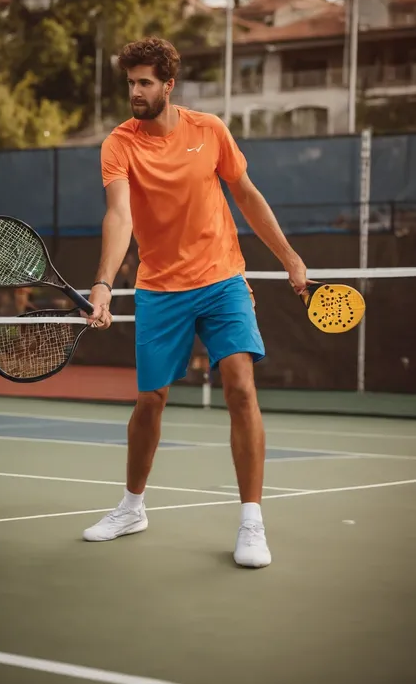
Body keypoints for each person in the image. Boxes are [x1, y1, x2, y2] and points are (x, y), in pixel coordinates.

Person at [82, 37, 308, 568]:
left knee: (239, 386)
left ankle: (251, 521)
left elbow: (246, 194)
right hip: (160, 287)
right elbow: (120, 216)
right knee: (150, 401)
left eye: (144, 83)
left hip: (223, 279)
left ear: (168, 85)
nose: (135, 92)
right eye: (130, 83)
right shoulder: (119, 143)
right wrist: (102, 284)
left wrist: (290, 257)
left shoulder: (209, 130)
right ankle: (132, 506)